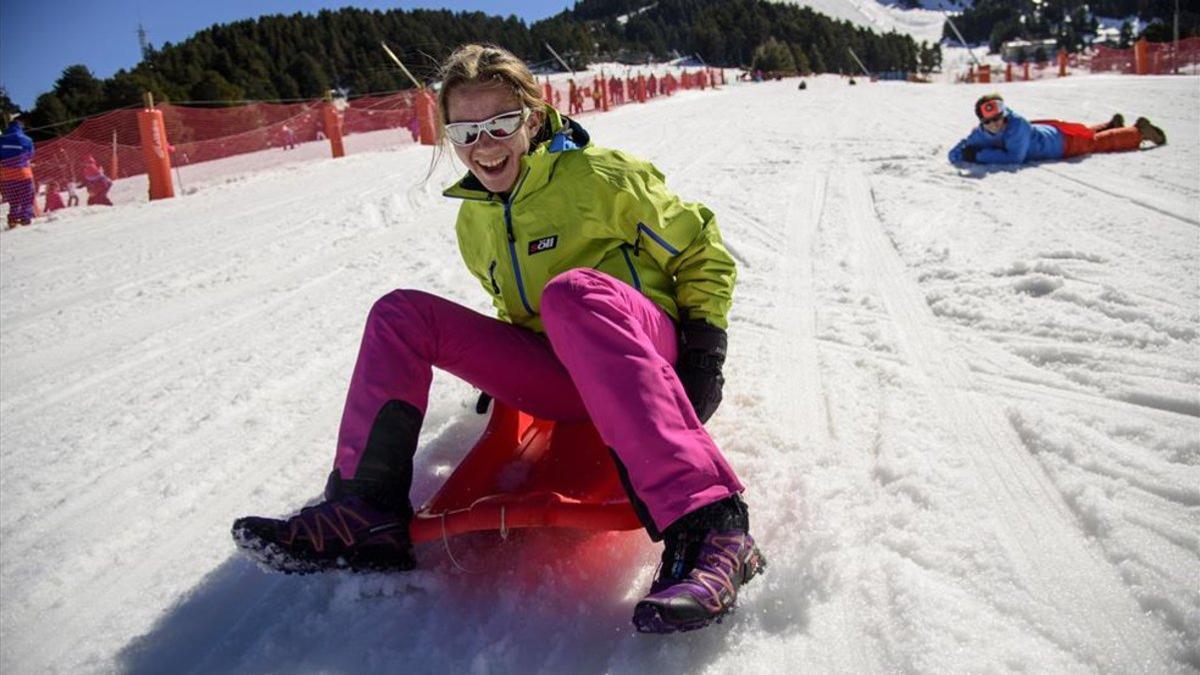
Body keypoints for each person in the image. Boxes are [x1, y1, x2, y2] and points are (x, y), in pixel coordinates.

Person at [231, 43, 765, 634]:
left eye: (500, 123)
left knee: (572, 294)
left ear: (532, 118)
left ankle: (711, 527)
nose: (484, 145)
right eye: (465, 131)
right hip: (566, 376)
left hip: (644, 351)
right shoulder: (474, 219)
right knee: (400, 314)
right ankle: (364, 513)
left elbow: (702, 250)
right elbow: (514, 307)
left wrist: (705, 351)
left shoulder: (600, 177)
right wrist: (502, 374)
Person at [949, 93, 1166, 165]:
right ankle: (1110, 126)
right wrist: (962, 152)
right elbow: (961, 148)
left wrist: (978, 156)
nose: (995, 124)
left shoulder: (1018, 125)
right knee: (1086, 134)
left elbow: (1015, 157)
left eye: (999, 118)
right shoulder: (982, 132)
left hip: (1060, 144)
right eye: (989, 122)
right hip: (1050, 134)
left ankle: (1137, 132)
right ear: (982, 123)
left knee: (1094, 143)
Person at [1, 115, 36, 228]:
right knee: (27, 196)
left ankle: (12, 220)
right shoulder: (27, 139)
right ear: (20, 125)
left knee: (13, 199)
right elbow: (31, 155)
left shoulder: (2, 139)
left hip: (6, 174)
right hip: (23, 172)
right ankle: (25, 218)